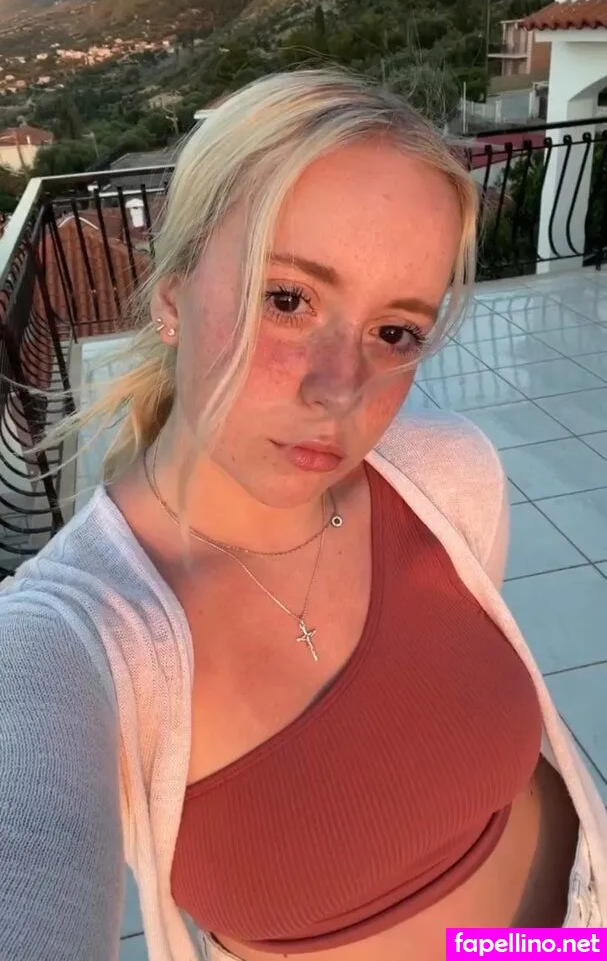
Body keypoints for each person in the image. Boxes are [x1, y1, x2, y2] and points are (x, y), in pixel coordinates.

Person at [0, 68, 605, 961]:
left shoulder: (447, 479)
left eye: (394, 332)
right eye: (286, 300)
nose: (339, 389)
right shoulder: (68, 640)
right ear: (172, 293)